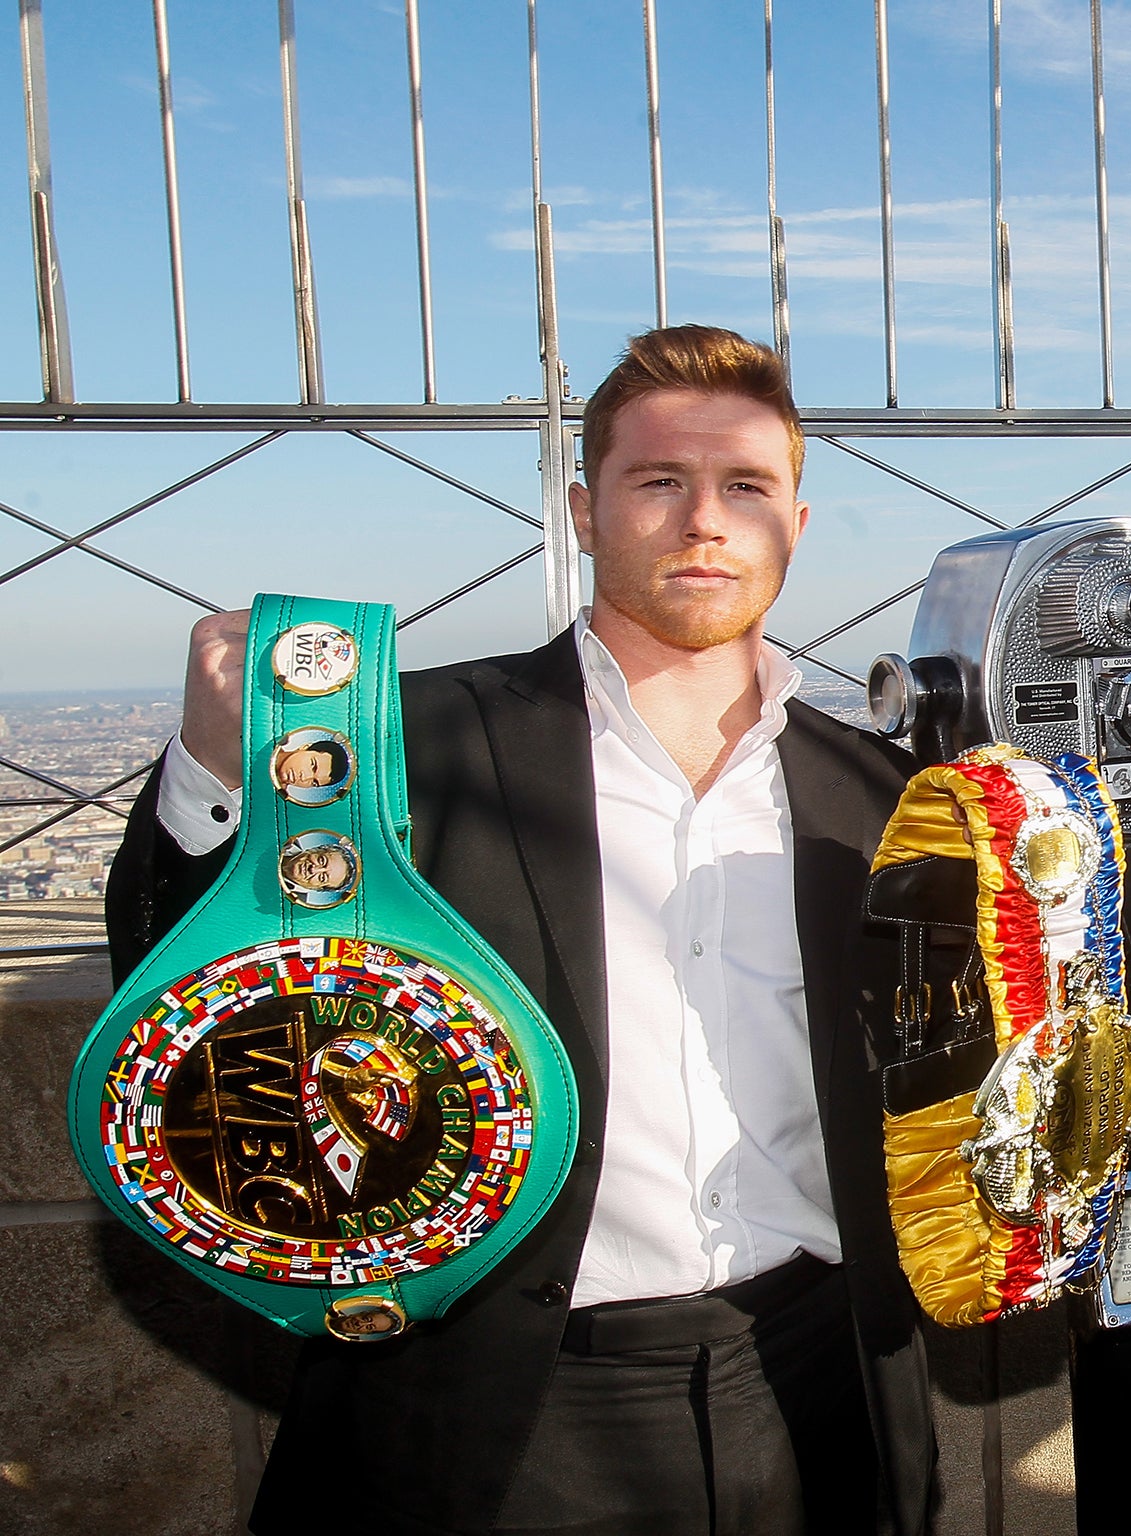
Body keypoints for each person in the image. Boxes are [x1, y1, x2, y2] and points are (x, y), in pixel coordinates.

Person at [105, 325, 935, 1536]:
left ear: (795, 525)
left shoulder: (884, 791)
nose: (706, 519)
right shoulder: (407, 745)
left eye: (746, 486)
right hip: (495, 1405)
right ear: (585, 512)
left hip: (815, 1385)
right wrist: (211, 771)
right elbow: (179, 1008)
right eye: (660, 482)